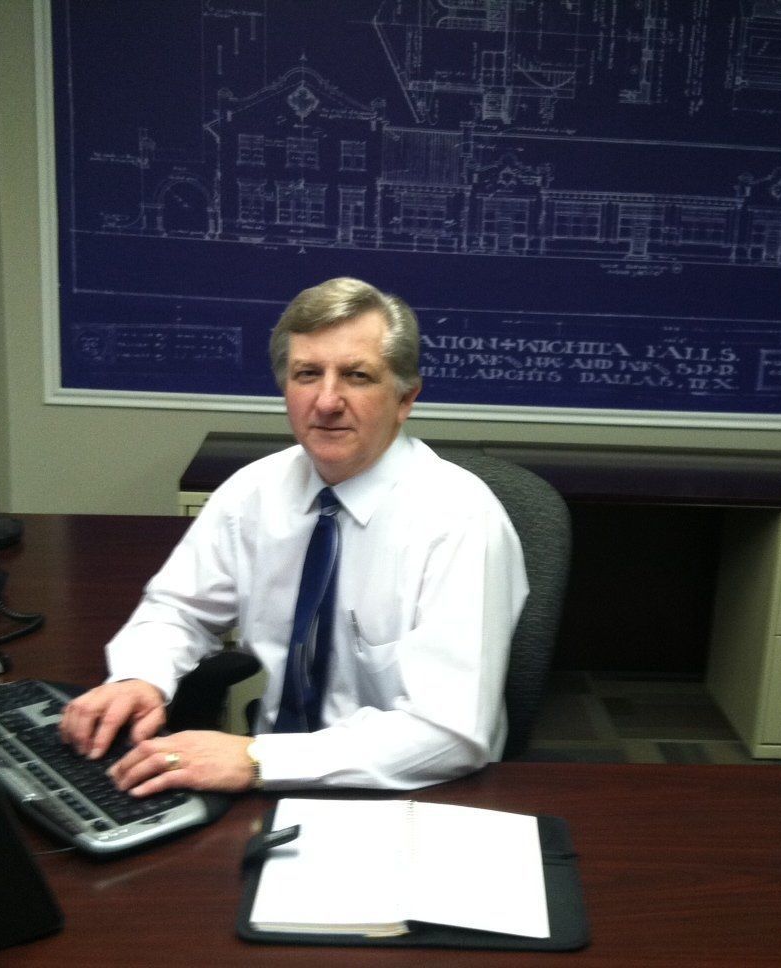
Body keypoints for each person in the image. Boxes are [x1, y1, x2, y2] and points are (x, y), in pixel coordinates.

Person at [59, 277, 528, 793]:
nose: (327, 401)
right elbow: (177, 609)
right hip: (266, 779)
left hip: (413, 790)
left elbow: (451, 733)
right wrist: (139, 677)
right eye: (308, 374)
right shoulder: (254, 492)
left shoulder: (461, 520)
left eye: (356, 376)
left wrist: (261, 758)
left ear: (405, 398)